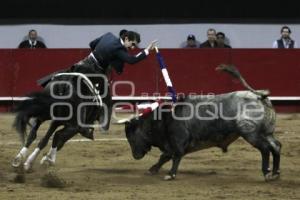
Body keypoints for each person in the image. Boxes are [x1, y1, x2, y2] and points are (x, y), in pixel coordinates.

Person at [37, 31, 157, 133]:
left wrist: (100, 54)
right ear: (126, 39)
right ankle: (102, 124)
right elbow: (132, 60)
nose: (132, 48)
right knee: (106, 97)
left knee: (64, 74)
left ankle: (45, 88)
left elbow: (92, 44)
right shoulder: (119, 49)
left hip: (83, 63)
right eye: (132, 44)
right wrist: (146, 51)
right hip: (95, 71)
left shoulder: (108, 35)